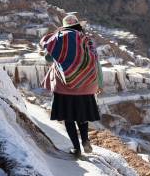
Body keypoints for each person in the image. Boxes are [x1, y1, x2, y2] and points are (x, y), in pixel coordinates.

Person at [40, 14, 103, 158]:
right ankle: (85, 140)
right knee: (82, 116)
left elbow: (48, 57)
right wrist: (98, 83)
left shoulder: (58, 37)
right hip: (85, 86)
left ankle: (76, 148)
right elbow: (95, 62)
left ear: (65, 26)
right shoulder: (87, 40)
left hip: (64, 87)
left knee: (68, 118)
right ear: (77, 25)